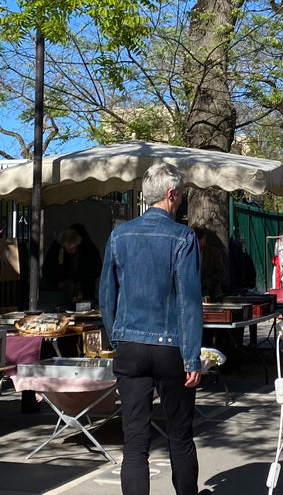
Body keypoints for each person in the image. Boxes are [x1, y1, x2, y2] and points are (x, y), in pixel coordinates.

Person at [99, 162, 204, 495]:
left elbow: (106, 295)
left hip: (130, 345)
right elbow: (189, 302)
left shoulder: (119, 235)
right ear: (171, 194)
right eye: (181, 195)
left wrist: (117, 338)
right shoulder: (183, 237)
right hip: (171, 347)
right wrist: (192, 357)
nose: (182, 200)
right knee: (180, 435)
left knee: (134, 440)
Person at [42, 223, 103, 307]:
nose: (71, 251)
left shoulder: (88, 248)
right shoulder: (57, 248)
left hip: (84, 292)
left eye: (73, 248)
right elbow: (47, 270)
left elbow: (94, 270)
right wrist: (56, 283)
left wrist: (75, 280)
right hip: (63, 293)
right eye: (68, 249)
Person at [195, 226, 227, 301]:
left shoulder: (214, 253)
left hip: (211, 294)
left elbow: (221, 274)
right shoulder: (187, 253)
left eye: (201, 239)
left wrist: (205, 283)